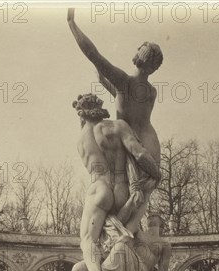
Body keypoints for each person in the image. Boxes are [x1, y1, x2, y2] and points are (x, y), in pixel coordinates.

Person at [71, 93, 159, 271]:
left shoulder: (82, 137)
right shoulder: (118, 126)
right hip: (122, 189)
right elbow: (139, 154)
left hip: (99, 188)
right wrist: (156, 173)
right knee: (124, 236)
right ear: (101, 109)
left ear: (82, 115)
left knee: (87, 239)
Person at [67, 8, 163, 167]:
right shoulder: (152, 92)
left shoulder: (123, 81)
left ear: (139, 54)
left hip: (131, 148)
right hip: (152, 148)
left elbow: (93, 55)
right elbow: (129, 101)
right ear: (154, 67)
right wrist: (106, 83)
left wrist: (72, 24)